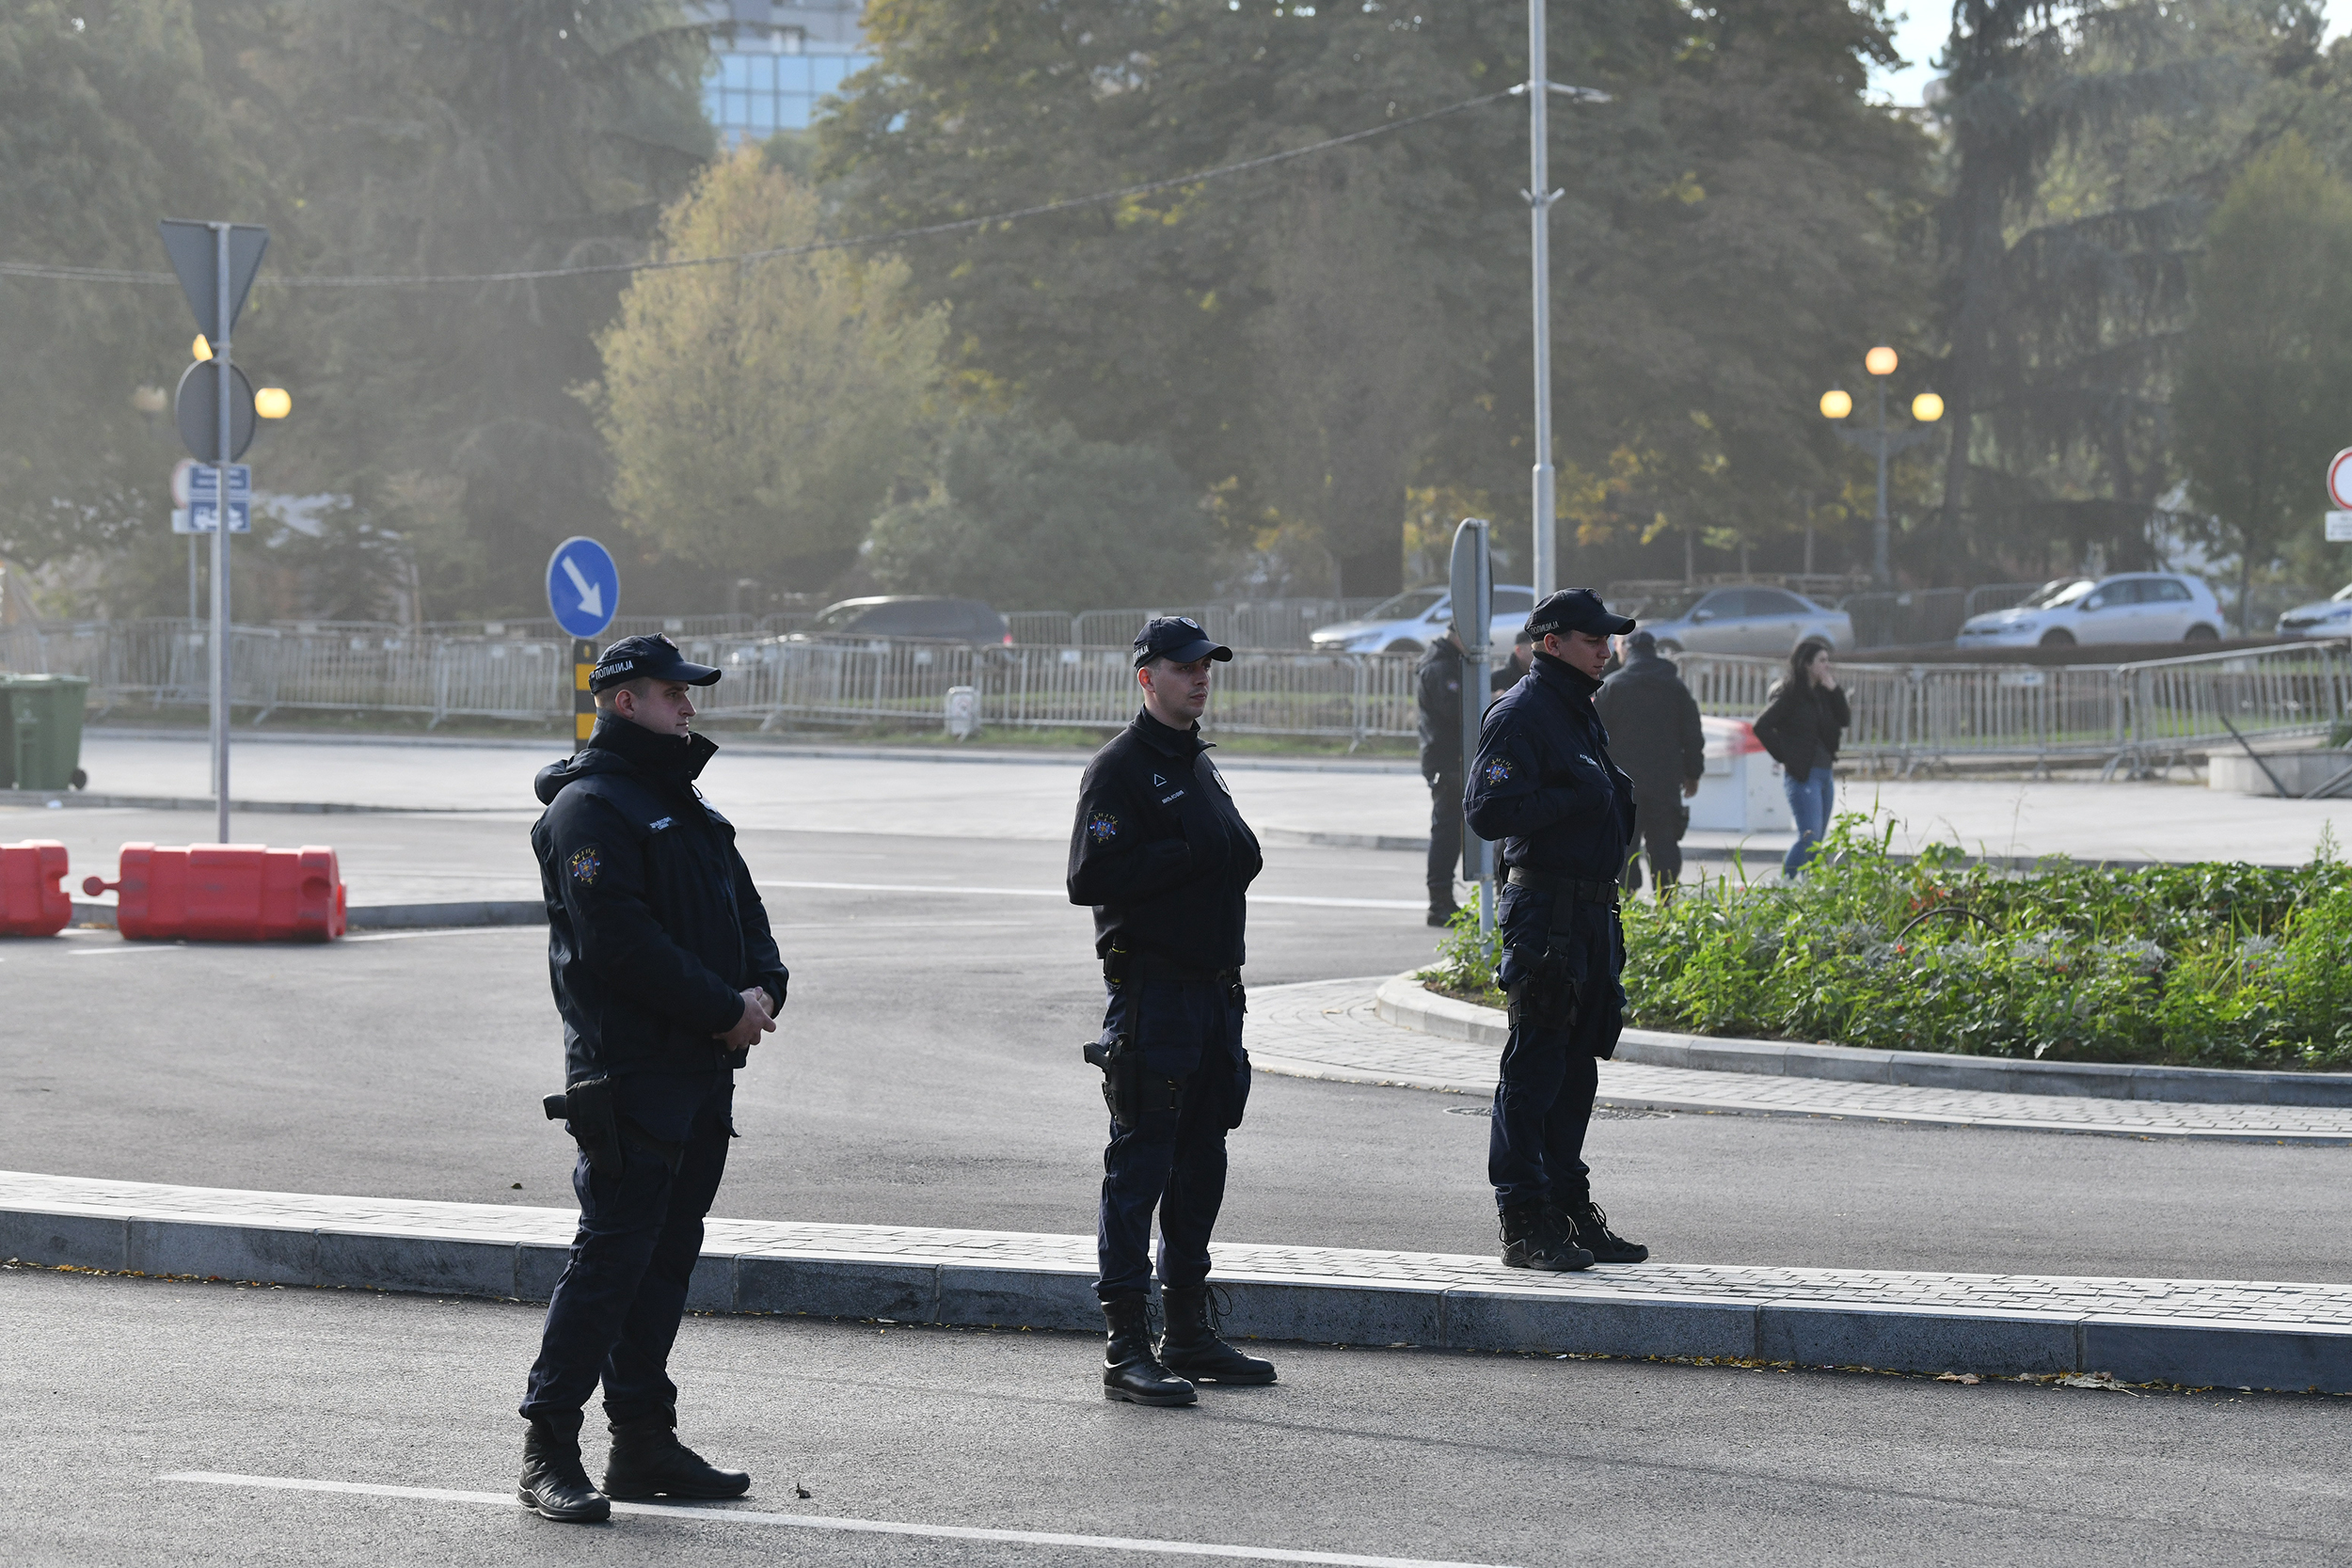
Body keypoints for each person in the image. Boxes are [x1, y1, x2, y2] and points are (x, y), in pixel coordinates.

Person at [516, 633, 789, 1523]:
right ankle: (547, 1445)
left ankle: (641, 1440)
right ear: (625, 700)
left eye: (690, 692)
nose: (690, 707)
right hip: (630, 1073)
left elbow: (742, 908)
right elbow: (620, 943)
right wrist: (723, 1005)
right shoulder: (589, 810)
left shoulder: (685, 803)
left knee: (667, 1259)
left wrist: (762, 989)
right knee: (611, 1259)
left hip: (702, 1068)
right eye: (676, 693)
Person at [1067, 615, 1275, 1407]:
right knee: (1141, 1165)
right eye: (1185, 667)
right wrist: (1192, 852)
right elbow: (1091, 875)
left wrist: (1212, 850)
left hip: (1216, 994)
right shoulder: (1121, 768)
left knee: (1203, 1158)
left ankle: (1187, 1326)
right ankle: (1127, 1344)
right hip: (1154, 995)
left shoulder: (1195, 764)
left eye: (1207, 665)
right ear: (1147, 677)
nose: (1201, 676)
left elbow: (1233, 852)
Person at [1464, 590, 1651, 1274]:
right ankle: (1524, 1220)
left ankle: (1569, 1208)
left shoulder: (1577, 710)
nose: (1606, 647)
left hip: (1589, 915)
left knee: (1576, 1071)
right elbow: (1486, 809)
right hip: (1546, 917)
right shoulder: (1522, 712)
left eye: (1608, 638)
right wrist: (1575, 796)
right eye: (1592, 637)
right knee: (1535, 1068)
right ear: (1551, 643)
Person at [1415, 629, 1518, 927]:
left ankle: (1444, 902)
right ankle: (1440, 904)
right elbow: (1456, 709)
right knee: (1446, 833)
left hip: (1455, 760)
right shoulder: (1440, 666)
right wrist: (1489, 697)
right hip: (1447, 762)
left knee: (1452, 832)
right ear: (1460, 634)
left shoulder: (1450, 661)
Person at [1593, 630, 1706, 894]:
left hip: (1622, 784)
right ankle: (1666, 906)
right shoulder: (1675, 686)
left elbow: (1595, 736)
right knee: (1665, 845)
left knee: (1624, 846)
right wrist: (1693, 773)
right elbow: (1692, 733)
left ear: (1626, 650)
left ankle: (1626, 906)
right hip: (1665, 782)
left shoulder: (1612, 685)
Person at [1752, 638, 1850, 878]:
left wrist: (1835, 691)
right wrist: (1785, 757)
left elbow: (1844, 719)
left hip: (1824, 773)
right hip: (1803, 775)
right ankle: (1786, 883)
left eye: (1828, 660)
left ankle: (1807, 890)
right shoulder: (1791, 694)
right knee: (1809, 837)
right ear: (1807, 664)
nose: (1827, 665)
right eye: (1822, 661)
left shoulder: (1824, 693)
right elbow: (1762, 726)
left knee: (1817, 842)